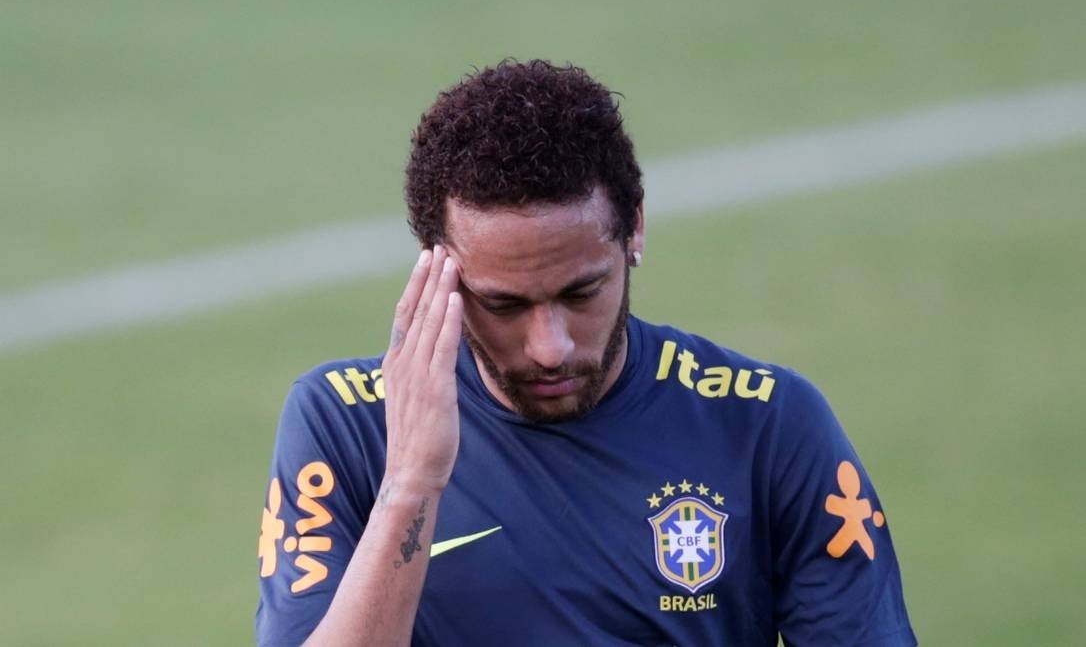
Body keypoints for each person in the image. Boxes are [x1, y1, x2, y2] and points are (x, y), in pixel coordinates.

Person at [255, 59, 916, 646]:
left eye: (581, 292)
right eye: (505, 305)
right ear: (438, 269)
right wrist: (409, 485)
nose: (551, 347)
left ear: (635, 230)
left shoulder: (768, 426)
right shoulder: (344, 426)